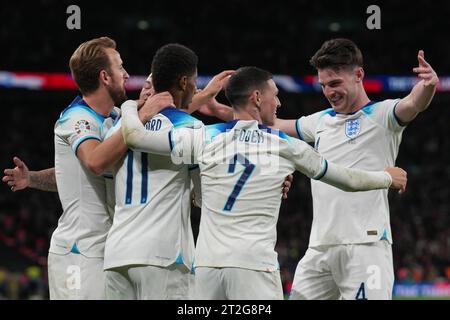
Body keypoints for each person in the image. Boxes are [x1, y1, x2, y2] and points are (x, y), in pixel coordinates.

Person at [120, 66, 407, 300]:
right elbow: (346, 179)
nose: (279, 103)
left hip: (207, 268)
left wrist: (132, 106)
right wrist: (386, 178)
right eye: (275, 95)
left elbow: (134, 137)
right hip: (254, 267)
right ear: (257, 98)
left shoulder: (204, 136)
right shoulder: (284, 146)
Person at [2, 36, 174, 299]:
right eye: (120, 67)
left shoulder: (115, 119)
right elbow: (94, 162)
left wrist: (32, 179)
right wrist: (140, 113)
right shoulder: (76, 118)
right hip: (78, 254)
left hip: (110, 250)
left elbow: (72, 175)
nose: (127, 75)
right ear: (105, 77)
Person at [273, 38, 439, 300]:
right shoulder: (320, 121)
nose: (329, 92)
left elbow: (413, 103)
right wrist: (227, 109)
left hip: (367, 245)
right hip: (320, 247)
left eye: (335, 83)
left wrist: (428, 85)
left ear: (358, 75)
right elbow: (274, 125)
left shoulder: (384, 115)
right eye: (324, 85)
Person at [103, 43, 237, 300]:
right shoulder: (192, 128)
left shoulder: (119, 127)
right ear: (184, 81)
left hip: (117, 254)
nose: (196, 88)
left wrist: (131, 107)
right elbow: (204, 196)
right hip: (163, 256)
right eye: (195, 82)